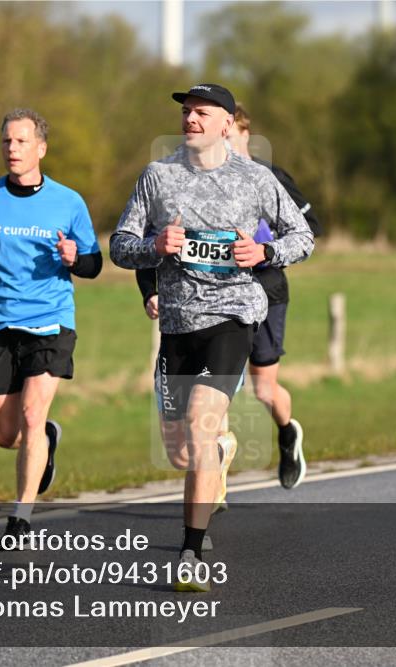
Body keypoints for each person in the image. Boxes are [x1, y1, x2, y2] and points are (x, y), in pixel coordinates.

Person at [110, 84, 313, 591]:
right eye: (185, 111)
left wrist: (263, 255)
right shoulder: (158, 177)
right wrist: (154, 246)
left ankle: (190, 553)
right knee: (182, 451)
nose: (191, 118)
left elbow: (302, 236)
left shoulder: (256, 180)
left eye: (202, 112)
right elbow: (119, 245)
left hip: (232, 317)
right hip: (177, 324)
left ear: (227, 124)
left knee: (201, 428)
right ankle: (215, 456)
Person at [136, 103, 320, 492]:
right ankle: (213, 473)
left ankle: (287, 433)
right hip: (216, 306)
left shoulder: (268, 177)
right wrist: (151, 287)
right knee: (212, 401)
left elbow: (308, 229)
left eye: (232, 138)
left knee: (265, 389)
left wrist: (259, 246)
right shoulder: (186, 180)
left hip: (266, 291)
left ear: (241, 133)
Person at [0, 108, 101, 546]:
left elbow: (94, 262)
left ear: (41, 148)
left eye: (21, 142)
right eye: (6, 141)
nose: (12, 149)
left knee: (32, 414)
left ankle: (20, 518)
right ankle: (47, 441)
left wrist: (76, 258)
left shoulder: (68, 201)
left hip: (50, 320)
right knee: (6, 435)